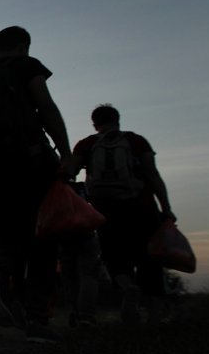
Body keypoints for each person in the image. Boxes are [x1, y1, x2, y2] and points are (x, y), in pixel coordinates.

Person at [0, 26, 72, 343]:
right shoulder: (26, 66)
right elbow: (45, 106)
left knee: (7, 235)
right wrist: (66, 152)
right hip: (29, 162)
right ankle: (37, 318)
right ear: (24, 46)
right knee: (41, 238)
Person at [68, 104, 175, 325]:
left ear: (95, 124)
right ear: (118, 120)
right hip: (142, 207)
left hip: (104, 210)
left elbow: (69, 172)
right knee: (149, 258)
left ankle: (128, 287)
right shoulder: (136, 141)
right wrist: (166, 208)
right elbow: (152, 175)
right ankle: (154, 315)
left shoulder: (87, 144)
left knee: (113, 255)